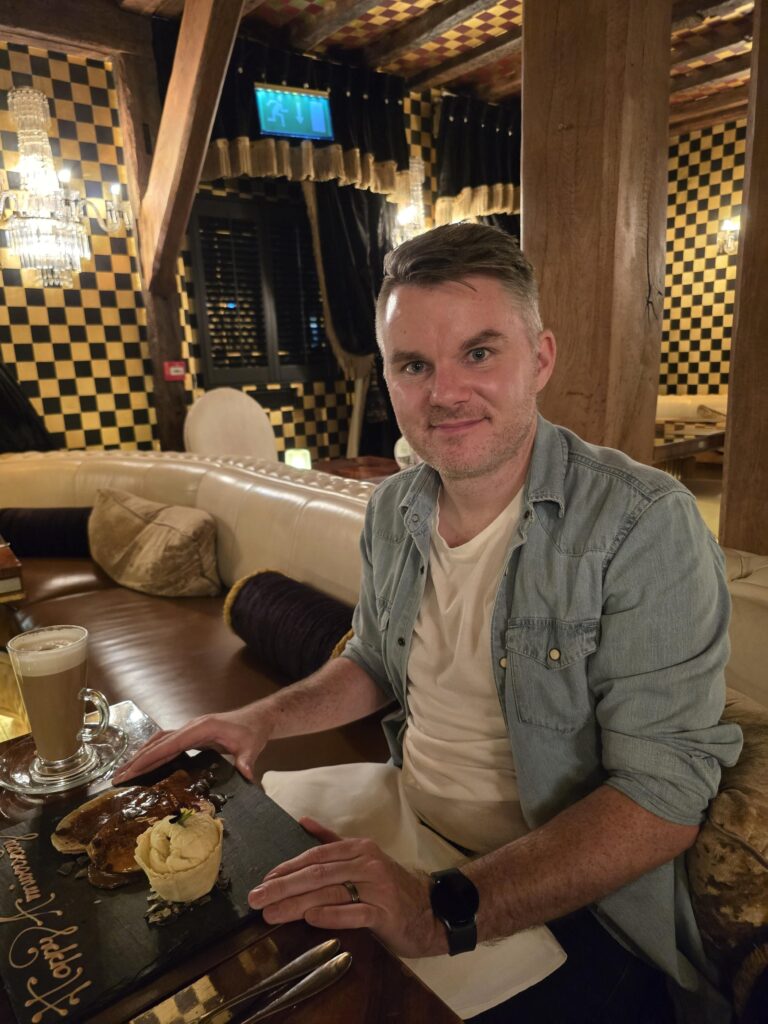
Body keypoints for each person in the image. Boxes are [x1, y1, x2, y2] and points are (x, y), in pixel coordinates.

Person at [115, 224, 742, 1022]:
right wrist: (257, 718)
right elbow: (377, 661)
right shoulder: (393, 508)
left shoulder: (643, 524)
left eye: (480, 353)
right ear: (389, 377)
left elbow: (662, 799)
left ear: (540, 358)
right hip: (403, 820)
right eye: (414, 365)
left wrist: (440, 907)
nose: (444, 393)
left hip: (566, 904)